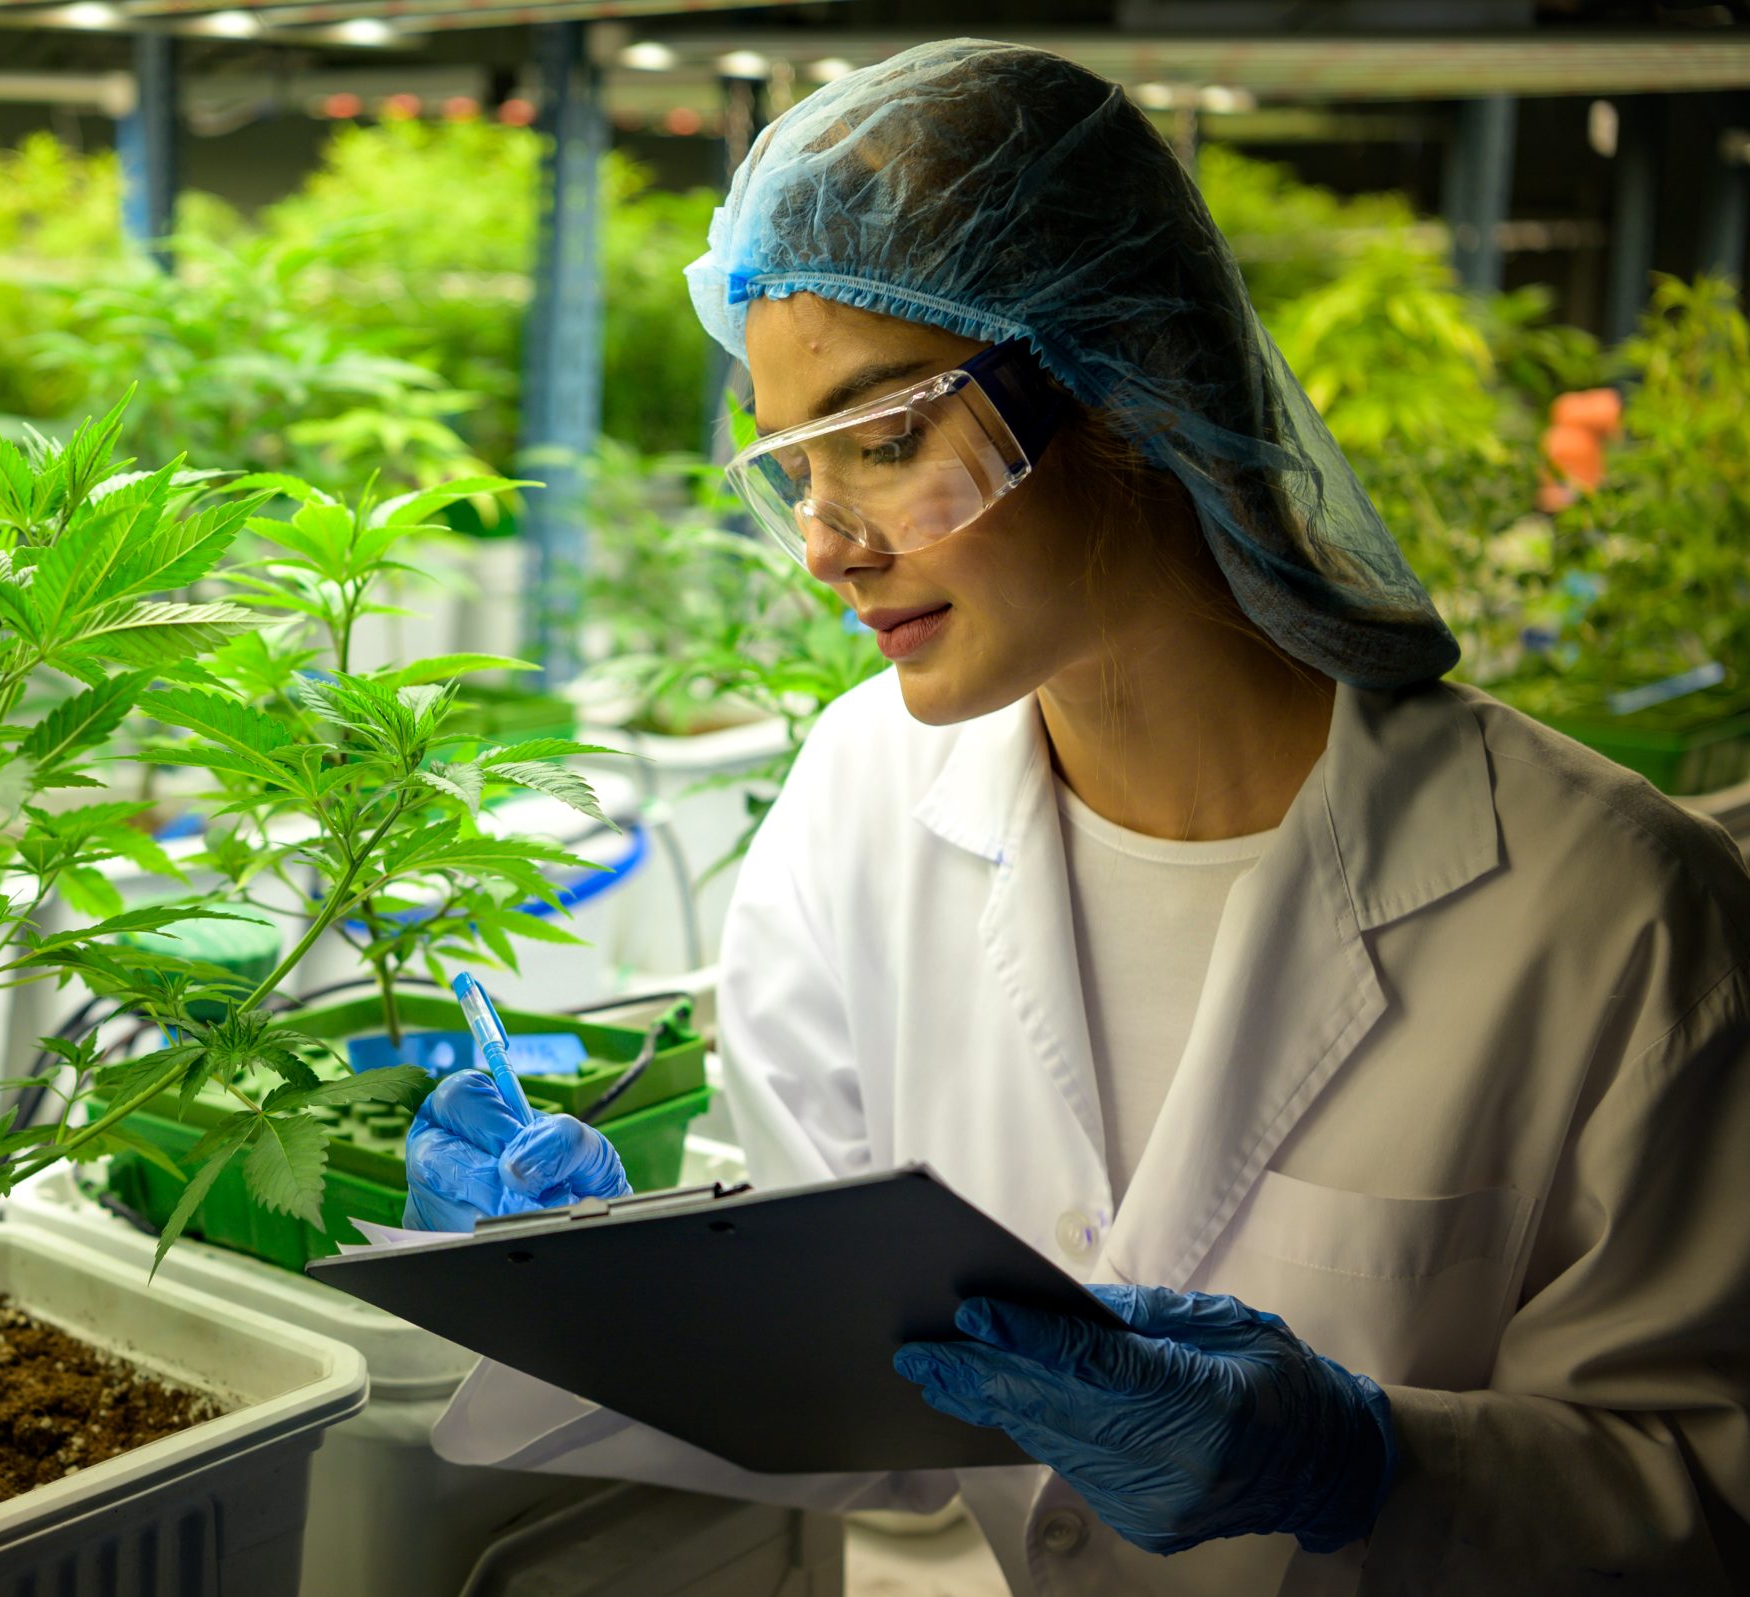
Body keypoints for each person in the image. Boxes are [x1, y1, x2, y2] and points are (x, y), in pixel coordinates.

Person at [401, 38, 1750, 1596]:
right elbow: (878, 1399)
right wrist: (591, 1289)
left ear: (1123, 382)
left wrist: (1373, 1461)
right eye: (795, 467)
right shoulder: (860, 802)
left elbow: (1712, 1497)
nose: (831, 546)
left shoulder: (1626, 923)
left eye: (888, 441)